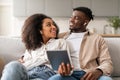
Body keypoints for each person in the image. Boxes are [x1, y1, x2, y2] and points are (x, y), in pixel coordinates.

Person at [48, 7, 113, 80]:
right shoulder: (60, 37)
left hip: (89, 74)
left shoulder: (97, 39)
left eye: (76, 18)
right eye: (71, 17)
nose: (71, 20)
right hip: (68, 75)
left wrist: (98, 71)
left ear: (86, 22)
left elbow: (107, 62)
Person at [1, 14, 71, 80]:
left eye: (54, 25)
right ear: (40, 30)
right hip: (27, 72)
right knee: (13, 65)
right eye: (49, 25)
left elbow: (66, 66)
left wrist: (34, 61)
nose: (54, 27)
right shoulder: (32, 47)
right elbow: (24, 65)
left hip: (45, 74)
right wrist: (45, 59)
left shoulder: (60, 42)